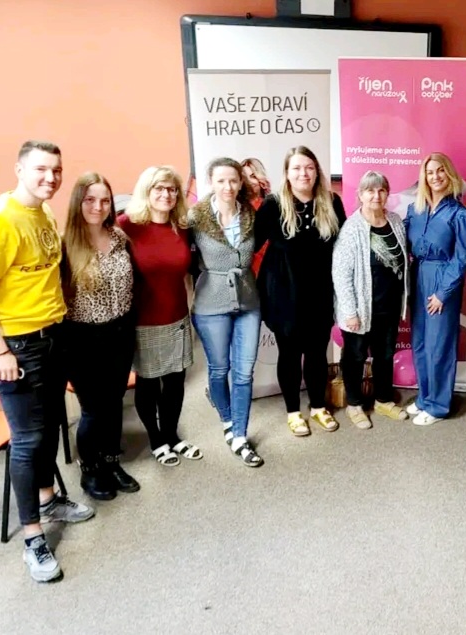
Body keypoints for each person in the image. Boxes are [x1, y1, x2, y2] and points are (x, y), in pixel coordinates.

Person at [0, 140, 94, 583]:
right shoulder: (0, 220)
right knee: (27, 440)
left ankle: (49, 500)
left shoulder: (43, 212)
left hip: (53, 335)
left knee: (48, 427)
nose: (51, 178)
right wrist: (0, 350)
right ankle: (33, 539)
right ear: (19, 170)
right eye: (41, 170)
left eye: (57, 170)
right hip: (18, 346)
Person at [256, 146, 345, 436]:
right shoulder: (273, 205)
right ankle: (293, 411)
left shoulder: (332, 202)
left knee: (318, 352)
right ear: (286, 173)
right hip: (284, 293)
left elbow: (343, 247)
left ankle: (318, 406)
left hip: (320, 291)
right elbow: (251, 245)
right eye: (296, 168)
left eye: (308, 167)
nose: (303, 173)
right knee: (290, 353)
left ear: (316, 171)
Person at [61, 172, 140, 499]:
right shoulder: (65, 245)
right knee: (94, 409)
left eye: (105, 200)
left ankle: (111, 461)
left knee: (113, 403)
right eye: (90, 200)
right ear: (78, 202)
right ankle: (91, 468)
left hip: (120, 334)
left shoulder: (119, 237)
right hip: (83, 339)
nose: (98, 206)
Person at [119, 166, 201, 467]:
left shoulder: (182, 226)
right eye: (159, 188)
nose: (167, 194)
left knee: (176, 382)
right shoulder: (127, 226)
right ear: (147, 191)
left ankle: (172, 435)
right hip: (144, 321)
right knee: (149, 384)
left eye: (172, 189)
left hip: (177, 317)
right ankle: (156, 440)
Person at [188, 158, 263, 467]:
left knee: (244, 372)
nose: (228, 187)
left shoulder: (251, 214)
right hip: (210, 304)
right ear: (211, 182)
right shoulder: (195, 217)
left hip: (248, 301)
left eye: (233, 180)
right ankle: (228, 419)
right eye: (221, 181)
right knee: (220, 370)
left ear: (240, 182)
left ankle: (240, 435)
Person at [332, 170, 410, 428]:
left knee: (385, 355)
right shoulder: (352, 228)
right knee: (355, 357)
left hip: (389, 305)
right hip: (360, 308)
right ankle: (354, 404)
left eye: (381, 190)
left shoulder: (395, 221)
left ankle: (383, 400)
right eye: (370, 190)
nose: (376, 195)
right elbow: (341, 273)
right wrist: (350, 311)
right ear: (360, 195)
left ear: (387, 193)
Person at [404, 152, 466, 426]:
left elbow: (462, 257)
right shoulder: (415, 210)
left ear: (449, 174)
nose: (435, 177)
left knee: (439, 345)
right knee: (420, 342)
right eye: (430, 172)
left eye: (440, 170)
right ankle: (425, 397)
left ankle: (438, 406)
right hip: (417, 276)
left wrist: (444, 292)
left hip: (443, 279)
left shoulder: (459, 214)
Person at [241, 157, 272, 274]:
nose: (249, 182)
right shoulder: (237, 209)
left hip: (270, 268)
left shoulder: (273, 206)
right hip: (247, 271)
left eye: (253, 176)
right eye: (245, 178)